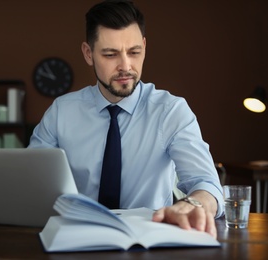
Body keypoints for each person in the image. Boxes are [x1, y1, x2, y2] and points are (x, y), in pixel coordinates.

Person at [28, 0, 223, 238]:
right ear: (88, 54)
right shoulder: (61, 112)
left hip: (149, 240)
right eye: (110, 54)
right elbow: (31, 180)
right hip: (77, 237)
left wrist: (196, 204)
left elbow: (206, 183)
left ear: (144, 47)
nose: (125, 66)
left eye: (134, 52)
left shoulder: (171, 111)